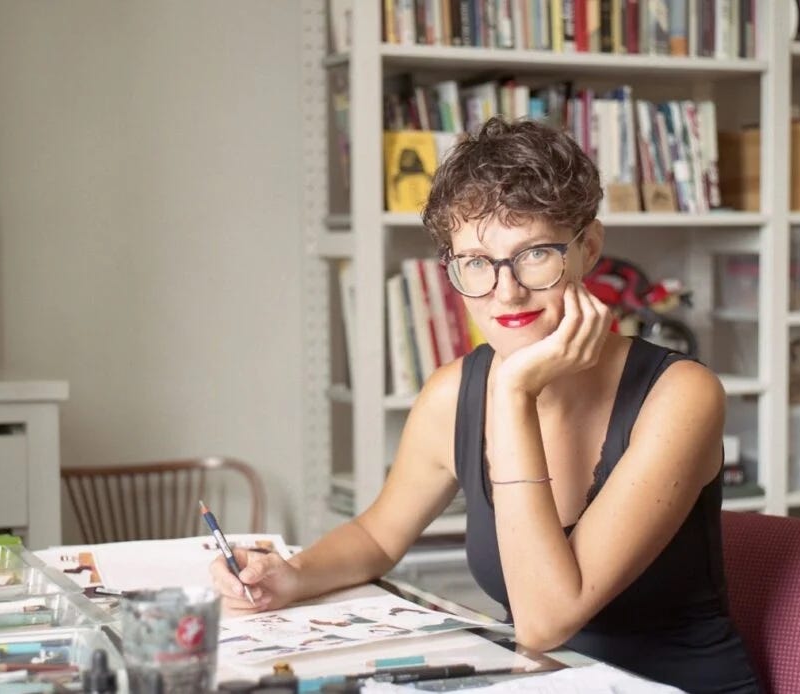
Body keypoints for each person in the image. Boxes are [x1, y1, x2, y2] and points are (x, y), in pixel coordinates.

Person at [211, 117, 761, 693]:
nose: (506, 291)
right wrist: (291, 575)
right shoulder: (452, 393)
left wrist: (515, 393)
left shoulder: (679, 396)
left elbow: (544, 621)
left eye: (534, 254)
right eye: (475, 262)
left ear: (588, 248)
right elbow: (377, 537)